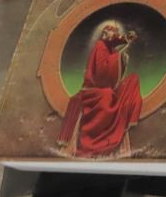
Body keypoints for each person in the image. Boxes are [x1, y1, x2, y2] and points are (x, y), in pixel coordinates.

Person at [57, 24, 142, 157]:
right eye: (112, 33)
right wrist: (118, 57)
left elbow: (118, 43)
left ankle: (123, 119)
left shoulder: (110, 48)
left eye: (116, 33)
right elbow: (101, 74)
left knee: (132, 79)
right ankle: (97, 142)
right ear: (105, 34)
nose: (115, 35)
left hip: (105, 87)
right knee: (106, 96)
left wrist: (125, 42)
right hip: (93, 89)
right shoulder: (100, 46)